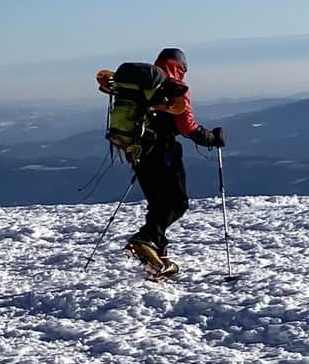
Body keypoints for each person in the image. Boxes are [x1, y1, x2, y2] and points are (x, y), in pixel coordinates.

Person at [95, 48, 223, 278]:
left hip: (135, 150)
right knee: (176, 201)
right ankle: (145, 240)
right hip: (162, 151)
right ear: (181, 67)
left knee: (158, 202)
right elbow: (187, 126)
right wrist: (212, 138)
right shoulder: (172, 87)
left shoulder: (139, 86)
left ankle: (159, 258)